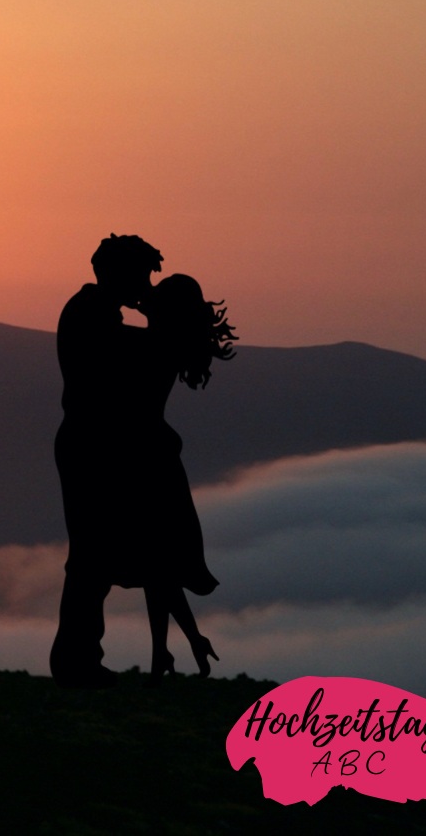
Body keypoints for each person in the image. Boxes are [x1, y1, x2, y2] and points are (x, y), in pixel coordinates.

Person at [48, 234, 162, 687]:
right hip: (89, 446)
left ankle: (80, 657)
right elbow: (128, 358)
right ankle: (76, 661)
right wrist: (162, 329)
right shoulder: (91, 315)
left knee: (93, 557)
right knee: (90, 557)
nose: (145, 285)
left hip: (91, 444)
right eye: (142, 275)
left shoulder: (93, 312)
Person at [132, 272, 235, 683]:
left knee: (153, 560)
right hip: (156, 455)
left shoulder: (152, 345)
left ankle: (169, 650)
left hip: (142, 457)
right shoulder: (170, 345)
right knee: (158, 561)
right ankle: (169, 650)